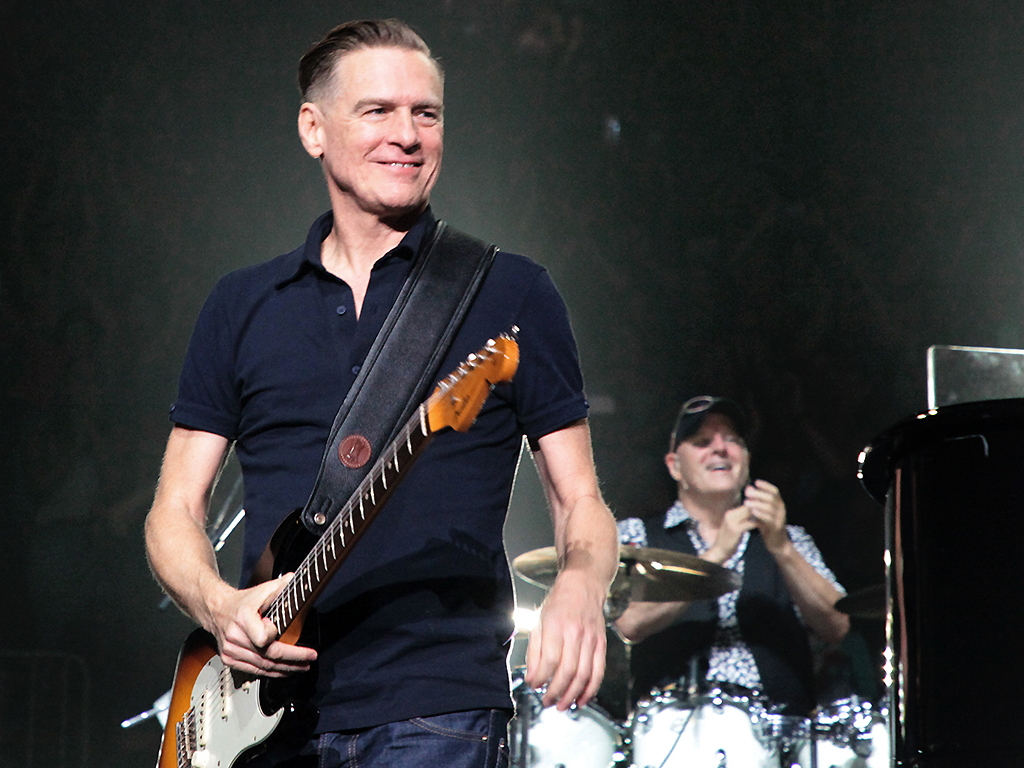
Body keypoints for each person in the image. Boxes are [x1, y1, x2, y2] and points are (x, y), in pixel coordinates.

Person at [144, 19, 619, 768]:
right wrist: (218, 606)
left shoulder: (510, 291)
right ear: (314, 129)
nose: (408, 134)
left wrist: (582, 585)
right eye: (378, 111)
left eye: (425, 114)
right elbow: (173, 510)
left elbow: (580, 499)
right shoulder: (241, 303)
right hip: (258, 715)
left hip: (437, 703)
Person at [615, 395, 849, 715]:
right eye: (701, 442)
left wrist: (781, 548)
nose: (720, 448)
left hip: (779, 732)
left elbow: (838, 626)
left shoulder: (789, 538)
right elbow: (630, 622)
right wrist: (716, 555)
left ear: (746, 460)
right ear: (674, 466)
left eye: (732, 440)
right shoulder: (636, 535)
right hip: (671, 734)